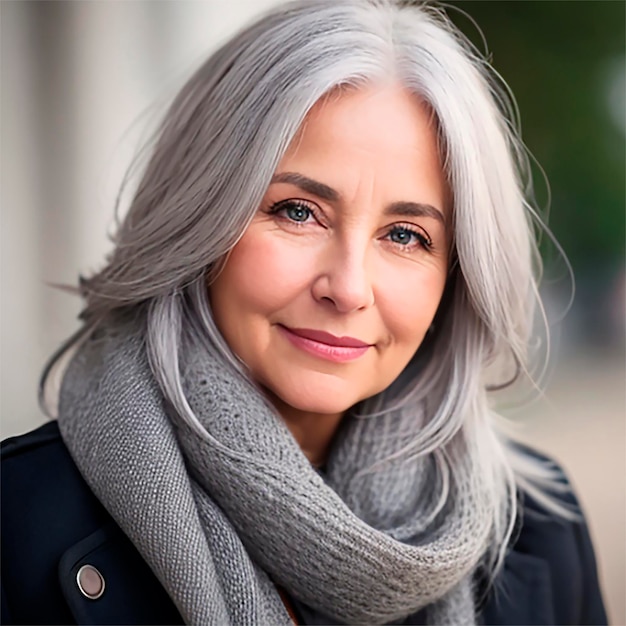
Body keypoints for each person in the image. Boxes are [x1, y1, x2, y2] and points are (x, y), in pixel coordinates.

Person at [1, 1, 608, 624]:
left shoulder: (542, 528)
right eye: (297, 211)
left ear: (456, 278)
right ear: (201, 215)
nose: (347, 288)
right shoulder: (15, 526)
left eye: (405, 235)